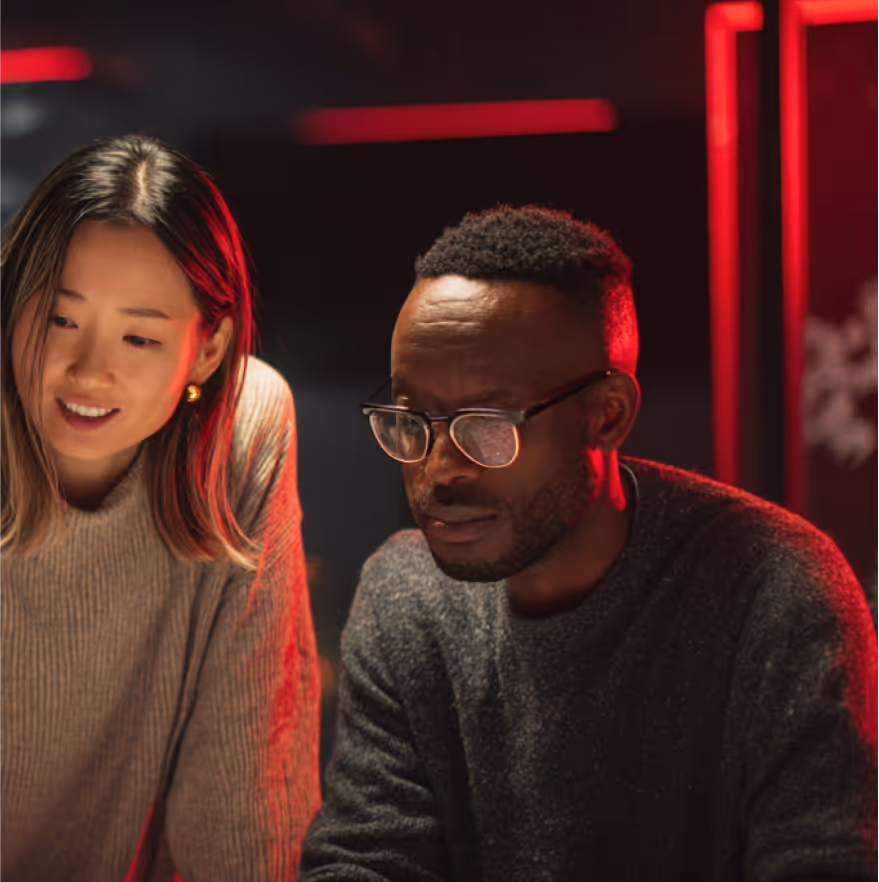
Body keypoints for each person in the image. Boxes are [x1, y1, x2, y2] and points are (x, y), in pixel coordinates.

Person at [300, 205, 878, 881]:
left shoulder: (775, 592)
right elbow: (366, 860)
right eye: (412, 419)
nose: (438, 467)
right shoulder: (405, 595)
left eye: (486, 425)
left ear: (607, 416)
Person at [0, 135, 321, 880]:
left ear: (208, 351)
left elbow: (246, 793)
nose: (87, 372)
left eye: (139, 336)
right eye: (57, 319)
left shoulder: (246, 430)